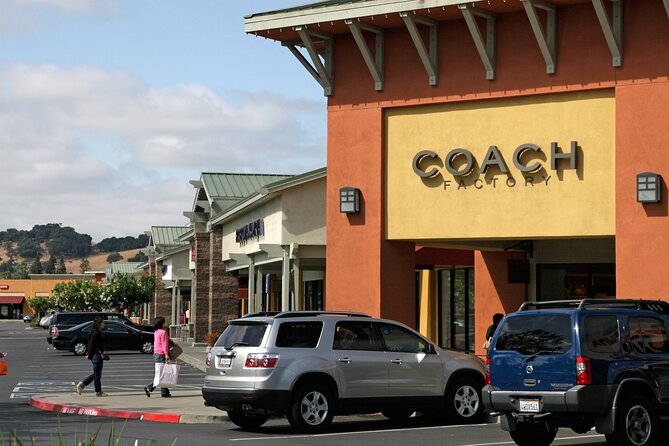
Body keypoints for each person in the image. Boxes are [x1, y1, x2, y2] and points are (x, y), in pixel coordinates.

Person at [75, 316, 107, 396]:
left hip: (97, 355)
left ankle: (82, 385)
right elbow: (91, 345)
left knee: (97, 374)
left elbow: (94, 344)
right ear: (99, 323)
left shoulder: (96, 332)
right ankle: (98, 391)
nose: (104, 324)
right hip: (96, 355)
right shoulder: (95, 333)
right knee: (97, 374)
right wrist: (89, 355)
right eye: (103, 322)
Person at [144, 316, 172, 398]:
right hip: (161, 354)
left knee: (161, 372)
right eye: (164, 322)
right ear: (162, 323)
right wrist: (166, 354)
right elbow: (164, 344)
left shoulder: (156, 331)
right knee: (160, 374)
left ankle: (165, 392)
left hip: (156, 353)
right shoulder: (163, 332)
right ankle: (149, 387)